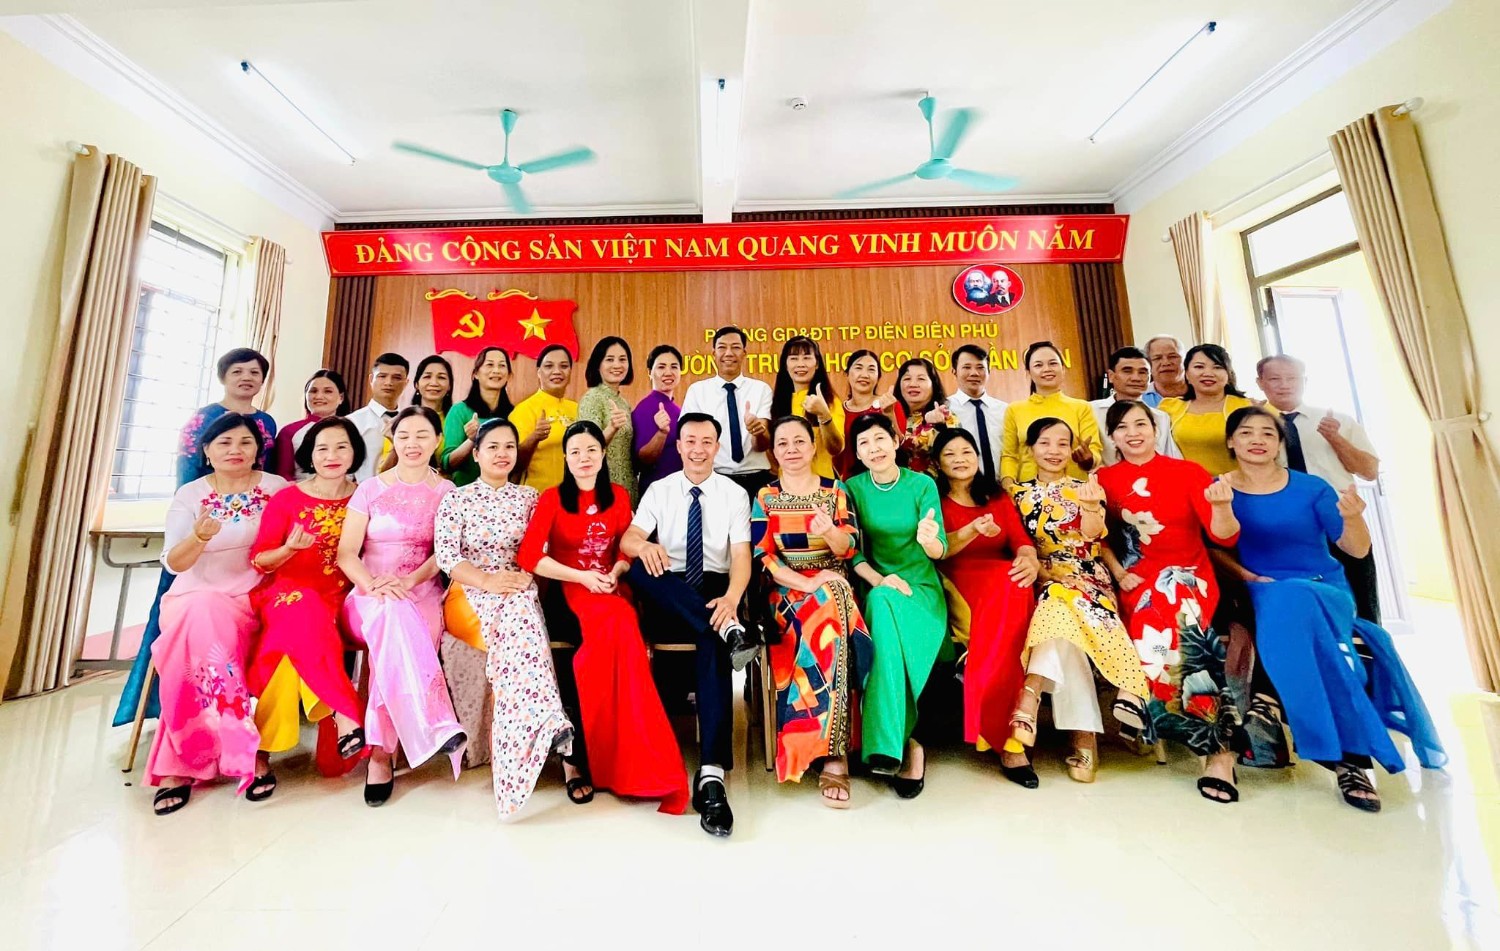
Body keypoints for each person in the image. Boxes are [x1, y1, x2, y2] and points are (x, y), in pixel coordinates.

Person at [1221, 406, 1445, 811]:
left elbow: (1355, 549)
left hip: (1324, 588)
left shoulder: (1313, 488)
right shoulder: (1219, 489)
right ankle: (1350, 764)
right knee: (1317, 640)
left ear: (1280, 443)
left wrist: (1354, 518)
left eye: (1268, 433)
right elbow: (1214, 548)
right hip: (1262, 589)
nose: (1257, 440)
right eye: (1247, 432)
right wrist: (1248, 576)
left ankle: (1268, 701)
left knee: (1298, 600)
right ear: (1231, 442)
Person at [517, 420, 689, 814]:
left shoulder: (619, 495)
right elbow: (529, 556)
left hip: (611, 589)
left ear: (603, 454)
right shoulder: (552, 499)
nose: (584, 458)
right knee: (603, 640)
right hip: (570, 589)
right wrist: (581, 577)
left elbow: (627, 546)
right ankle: (593, 756)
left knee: (624, 630)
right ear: (565, 458)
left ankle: (631, 758)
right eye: (575, 451)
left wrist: (617, 570)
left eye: (591, 450)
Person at [112, 347, 278, 732]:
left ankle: (220, 719)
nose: (246, 378)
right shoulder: (202, 422)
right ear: (223, 377)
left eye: (254, 372)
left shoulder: (267, 424)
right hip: (201, 550)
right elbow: (189, 482)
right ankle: (192, 715)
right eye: (238, 371)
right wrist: (199, 530)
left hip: (253, 561)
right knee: (191, 615)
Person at [1096, 400, 1243, 803]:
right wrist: (1120, 574)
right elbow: (1098, 540)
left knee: (1172, 617)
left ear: (1155, 429)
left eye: (1140, 424)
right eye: (1122, 427)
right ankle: (1217, 748)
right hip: (1135, 577)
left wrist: (1222, 506)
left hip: (1189, 575)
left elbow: (1224, 536)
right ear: (1112, 437)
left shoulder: (1188, 472)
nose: (1133, 433)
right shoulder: (1103, 479)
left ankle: (1137, 694)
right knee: (1168, 623)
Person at [145, 414, 289, 815]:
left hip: (255, 597)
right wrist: (198, 537)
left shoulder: (276, 488)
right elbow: (174, 562)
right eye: (224, 443)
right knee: (201, 619)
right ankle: (242, 749)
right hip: (194, 595)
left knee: (205, 635)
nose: (235, 450)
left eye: (244, 442)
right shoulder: (191, 495)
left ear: (257, 450)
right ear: (207, 451)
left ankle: (181, 763)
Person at [621, 412, 756, 837]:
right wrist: (643, 546)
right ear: (678, 446)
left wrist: (732, 600)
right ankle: (729, 630)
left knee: (710, 637)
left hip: (716, 585)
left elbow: (741, 557)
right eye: (690, 441)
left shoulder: (734, 494)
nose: (698, 449)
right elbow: (628, 539)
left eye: (706, 442)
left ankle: (711, 773)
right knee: (638, 567)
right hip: (670, 584)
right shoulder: (659, 489)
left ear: (717, 447)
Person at [434, 418, 575, 818]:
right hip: (469, 591)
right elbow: (447, 556)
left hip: (516, 588)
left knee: (521, 612)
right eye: (492, 446)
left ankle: (519, 760)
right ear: (476, 454)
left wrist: (519, 579)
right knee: (521, 619)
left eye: (509, 446)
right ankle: (549, 721)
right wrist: (489, 581)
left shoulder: (530, 498)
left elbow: (539, 550)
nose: (501, 453)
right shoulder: (457, 498)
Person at [1009, 419, 1150, 787]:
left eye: (1062, 443)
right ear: (1030, 449)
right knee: (1059, 613)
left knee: (1059, 606)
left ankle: (1029, 698)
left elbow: (1093, 536)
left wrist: (1088, 506)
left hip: (1087, 577)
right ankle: (1084, 738)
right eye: (1045, 443)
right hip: (1041, 577)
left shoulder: (1087, 486)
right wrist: (1042, 573)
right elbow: (1015, 544)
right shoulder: (1016, 494)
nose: (1054, 451)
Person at [337, 406, 466, 807]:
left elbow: (445, 552)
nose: (413, 444)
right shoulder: (369, 488)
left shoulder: (447, 492)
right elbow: (346, 553)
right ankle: (431, 723)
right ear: (393, 438)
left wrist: (409, 582)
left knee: (396, 629)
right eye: (404, 435)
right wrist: (373, 585)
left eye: (422, 435)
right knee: (390, 617)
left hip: (420, 592)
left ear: (437, 441)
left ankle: (381, 752)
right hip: (368, 594)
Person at [751, 416, 872, 807]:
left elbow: (848, 549)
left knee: (832, 601)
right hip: (786, 590)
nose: (791, 449)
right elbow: (763, 556)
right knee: (829, 610)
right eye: (783, 443)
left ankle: (825, 745)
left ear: (813, 446)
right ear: (774, 451)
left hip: (833, 580)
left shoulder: (834, 491)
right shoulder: (766, 496)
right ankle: (835, 751)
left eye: (799, 441)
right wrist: (805, 584)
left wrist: (829, 532)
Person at [247, 417, 365, 797]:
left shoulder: (365, 497)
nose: (332, 455)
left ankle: (260, 753)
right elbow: (261, 560)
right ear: (309, 456)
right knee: (303, 612)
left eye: (341, 447)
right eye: (322, 448)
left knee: (287, 648)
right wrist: (288, 550)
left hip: (343, 596)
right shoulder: (287, 498)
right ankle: (343, 710)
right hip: (287, 592)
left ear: (355, 452)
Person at [844, 413, 948, 797]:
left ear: (896, 440)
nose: (874, 449)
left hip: (920, 590)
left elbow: (939, 550)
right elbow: (853, 553)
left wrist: (928, 539)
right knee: (881, 602)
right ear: (857, 453)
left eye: (879, 439)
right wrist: (880, 580)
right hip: (877, 586)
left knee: (885, 618)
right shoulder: (852, 488)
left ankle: (888, 744)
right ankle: (906, 744)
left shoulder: (922, 484)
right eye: (864, 443)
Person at [930, 429, 1039, 763]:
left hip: (1004, 578)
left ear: (977, 457)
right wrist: (971, 531)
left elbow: (1020, 540)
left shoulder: (995, 496)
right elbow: (939, 551)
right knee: (1009, 600)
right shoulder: (933, 497)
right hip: (958, 578)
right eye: (950, 454)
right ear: (937, 463)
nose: (960, 459)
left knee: (1016, 585)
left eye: (966, 452)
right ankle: (1007, 739)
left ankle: (999, 728)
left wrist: (1030, 559)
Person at [1256, 354, 1383, 622]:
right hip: (1283, 525)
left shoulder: (1337, 419)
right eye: (1275, 379)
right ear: (1260, 383)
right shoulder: (1254, 427)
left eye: (1292, 378)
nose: (1284, 385)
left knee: (1360, 598)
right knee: (1301, 607)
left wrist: (1335, 438)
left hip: (1338, 517)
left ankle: (1369, 646)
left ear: (1305, 381)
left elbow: (1369, 471)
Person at [680, 326, 774, 499]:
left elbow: (762, 445)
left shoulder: (761, 389)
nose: (729, 353)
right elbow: (689, 439)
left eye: (736, 347)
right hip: (714, 479)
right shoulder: (697, 391)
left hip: (757, 478)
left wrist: (757, 431)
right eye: (722, 347)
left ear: (744, 353)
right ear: (713, 354)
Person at [1000, 340, 1101, 492]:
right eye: (1038, 365)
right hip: (1028, 493)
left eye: (1053, 363)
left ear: (1063, 369)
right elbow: (1009, 455)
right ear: (1028, 373)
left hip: (1075, 491)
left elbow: (1094, 450)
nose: (1047, 369)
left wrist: (1088, 459)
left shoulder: (1082, 407)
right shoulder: (1014, 410)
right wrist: (1009, 487)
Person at [1157, 344, 1255, 476]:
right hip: (1185, 484)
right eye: (1199, 367)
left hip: (1236, 483)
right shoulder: (1169, 407)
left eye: (1217, 367)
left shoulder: (1247, 407)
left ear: (1228, 374)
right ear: (1187, 374)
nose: (1208, 373)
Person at [1090, 347, 1180, 465]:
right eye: (1127, 371)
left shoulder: (1160, 417)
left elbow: (1172, 459)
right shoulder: (1091, 411)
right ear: (1111, 376)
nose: (1136, 378)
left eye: (1143, 372)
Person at [577, 336, 640, 504]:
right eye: (610, 359)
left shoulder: (623, 402)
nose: (617, 365)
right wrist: (611, 428)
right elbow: (586, 447)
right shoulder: (592, 398)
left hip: (627, 486)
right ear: (598, 364)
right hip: (602, 488)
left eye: (622, 359)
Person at [771, 335, 845, 479]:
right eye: (794, 358)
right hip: (787, 485)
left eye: (806, 358)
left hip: (822, 483)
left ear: (817, 364)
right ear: (785, 364)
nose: (800, 364)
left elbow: (836, 448)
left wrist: (824, 415)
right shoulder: (777, 403)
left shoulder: (829, 400)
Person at [442, 346, 515, 487]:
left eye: (502, 365)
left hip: (504, 494)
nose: (496, 370)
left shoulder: (514, 414)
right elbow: (447, 464)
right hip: (466, 493)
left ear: (509, 375)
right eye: (489, 365)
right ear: (476, 374)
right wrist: (471, 440)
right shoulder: (459, 411)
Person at [511, 344, 578, 491]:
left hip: (574, 495)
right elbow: (514, 463)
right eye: (549, 366)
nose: (557, 371)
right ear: (538, 372)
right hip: (537, 494)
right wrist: (535, 437)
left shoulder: (577, 409)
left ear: (570, 371)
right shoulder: (524, 410)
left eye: (564, 366)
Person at [271, 369, 350, 480]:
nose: (319, 396)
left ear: (341, 398)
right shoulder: (289, 431)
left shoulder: (355, 428)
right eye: (313, 391)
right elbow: (283, 475)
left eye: (328, 391)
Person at [835, 348, 902, 479]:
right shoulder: (838, 411)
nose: (864, 375)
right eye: (858, 368)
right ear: (847, 374)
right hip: (851, 482)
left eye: (871, 369)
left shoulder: (890, 404)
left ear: (878, 377)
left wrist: (889, 414)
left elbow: (899, 443)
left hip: (887, 479)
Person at [946, 344, 1006, 482]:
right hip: (961, 487)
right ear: (954, 371)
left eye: (980, 367)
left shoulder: (1005, 410)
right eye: (967, 367)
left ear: (989, 371)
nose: (974, 373)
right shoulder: (944, 409)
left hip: (1003, 487)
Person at [347, 352, 410, 483]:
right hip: (362, 491)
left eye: (397, 378)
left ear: (406, 383)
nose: (389, 382)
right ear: (371, 379)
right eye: (382, 376)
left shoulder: (410, 421)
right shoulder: (352, 422)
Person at [632, 344, 684, 494]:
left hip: (677, 490)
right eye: (661, 367)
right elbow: (644, 459)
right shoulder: (645, 407)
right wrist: (662, 433)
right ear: (650, 372)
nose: (668, 372)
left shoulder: (676, 408)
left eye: (674, 367)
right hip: (656, 492)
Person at [894, 356, 958, 473]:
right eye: (907, 378)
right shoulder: (891, 416)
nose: (913, 384)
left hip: (935, 482)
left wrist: (935, 425)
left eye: (921, 379)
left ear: (933, 384)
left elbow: (955, 451)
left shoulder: (945, 416)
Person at [1143, 334, 1188, 407]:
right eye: (1157, 358)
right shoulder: (1140, 399)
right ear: (1148, 364)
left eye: (1173, 356)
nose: (1166, 363)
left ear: (1185, 360)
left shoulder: (1201, 392)